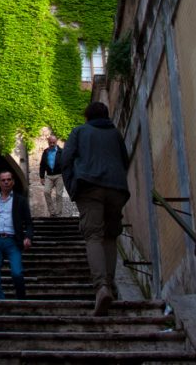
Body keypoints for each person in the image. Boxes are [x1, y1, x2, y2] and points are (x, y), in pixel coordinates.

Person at [61, 101, 130, 316]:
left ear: (87, 116)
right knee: (110, 237)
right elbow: (124, 160)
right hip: (116, 188)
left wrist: (72, 185)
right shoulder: (115, 134)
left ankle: (101, 287)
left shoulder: (80, 131)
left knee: (93, 235)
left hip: (89, 186)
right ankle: (108, 285)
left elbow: (66, 160)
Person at [0, 169, 33, 300]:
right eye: (3, 180)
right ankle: (1, 302)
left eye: (8, 179)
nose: (6, 182)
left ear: (13, 182)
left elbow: (28, 222)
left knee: (17, 273)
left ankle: (21, 299)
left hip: (12, 241)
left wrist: (28, 236)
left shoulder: (20, 201)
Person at [38, 130, 64, 216]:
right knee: (46, 192)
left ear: (56, 142)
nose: (52, 144)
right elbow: (42, 165)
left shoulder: (61, 152)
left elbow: (66, 163)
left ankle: (58, 212)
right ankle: (52, 212)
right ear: (48, 142)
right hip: (49, 176)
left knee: (59, 194)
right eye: (50, 142)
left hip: (59, 175)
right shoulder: (45, 152)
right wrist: (42, 177)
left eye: (53, 142)